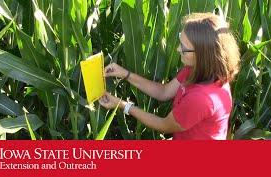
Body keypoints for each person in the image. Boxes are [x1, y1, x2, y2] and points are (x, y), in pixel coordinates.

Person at [98, 12, 240, 140]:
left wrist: (121, 105)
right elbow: (163, 92)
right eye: (180, 41)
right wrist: (125, 74)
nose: (178, 49)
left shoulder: (202, 98)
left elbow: (163, 125)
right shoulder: (197, 69)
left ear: (203, 55)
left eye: (184, 47)